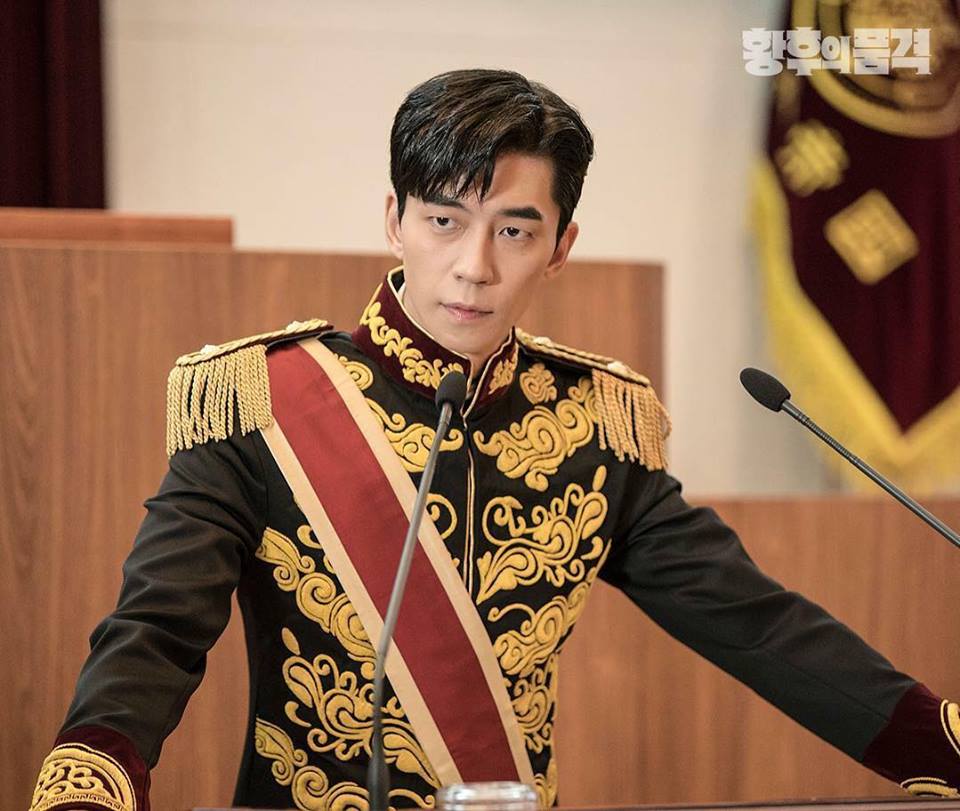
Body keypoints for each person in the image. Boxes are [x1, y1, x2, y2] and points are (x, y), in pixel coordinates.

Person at [27, 68, 960, 811]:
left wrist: (937, 742)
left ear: (560, 247)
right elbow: (157, 630)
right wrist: (91, 777)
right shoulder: (260, 402)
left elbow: (754, 622)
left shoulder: (595, 425)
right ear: (394, 220)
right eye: (444, 221)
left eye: (515, 230)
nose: (473, 267)